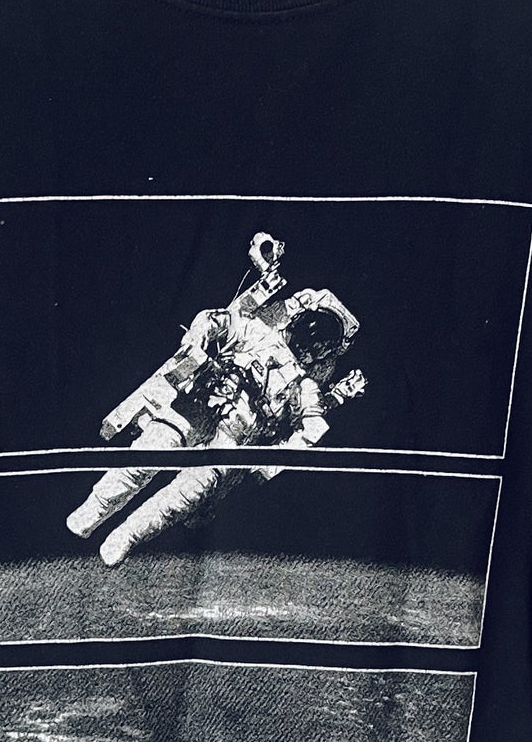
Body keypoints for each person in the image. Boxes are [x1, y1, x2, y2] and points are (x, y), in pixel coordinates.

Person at [66, 233, 366, 565]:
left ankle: (126, 535)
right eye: (312, 330)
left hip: (233, 439)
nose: (312, 343)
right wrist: (195, 348)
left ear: (327, 353)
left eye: (322, 342)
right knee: (148, 453)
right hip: (201, 402)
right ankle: (95, 508)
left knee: (184, 496)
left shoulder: (304, 385)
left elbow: (313, 428)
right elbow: (213, 321)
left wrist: (271, 461)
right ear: (298, 320)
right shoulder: (258, 331)